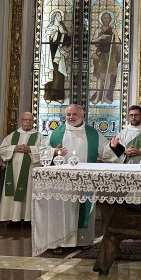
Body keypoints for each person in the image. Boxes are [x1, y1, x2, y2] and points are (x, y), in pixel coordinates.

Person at [36, 104, 119, 254]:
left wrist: (112, 146)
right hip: (62, 180)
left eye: (74, 114)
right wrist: (54, 151)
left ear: (82, 115)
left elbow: (104, 152)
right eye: (68, 114)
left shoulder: (92, 133)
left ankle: (83, 241)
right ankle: (60, 242)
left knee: (83, 209)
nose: (71, 117)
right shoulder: (56, 133)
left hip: (85, 179)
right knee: (62, 211)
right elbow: (42, 151)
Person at [0, 112, 47, 228]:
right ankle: (14, 219)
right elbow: (1, 149)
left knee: (28, 192)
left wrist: (31, 149)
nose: (28, 122)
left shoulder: (39, 136)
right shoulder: (12, 135)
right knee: (14, 191)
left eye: (30, 120)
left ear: (33, 122)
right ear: (21, 121)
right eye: (25, 120)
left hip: (30, 171)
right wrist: (14, 148)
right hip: (13, 171)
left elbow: (45, 151)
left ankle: (28, 219)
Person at [90, 11, 122, 105]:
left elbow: (117, 44)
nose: (106, 19)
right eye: (105, 17)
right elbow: (93, 41)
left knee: (109, 76)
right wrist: (101, 37)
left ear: (111, 19)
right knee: (101, 76)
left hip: (111, 55)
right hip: (101, 55)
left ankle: (105, 97)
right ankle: (97, 97)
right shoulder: (98, 30)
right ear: (101, 19)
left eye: (108, 17)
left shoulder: (113, 30)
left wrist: (116, 34)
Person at [43, 10, 71, 103]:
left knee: (59, 74)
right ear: (54, 17)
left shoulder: (63, 28)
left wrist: (65, 35)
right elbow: (46, 40)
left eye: (60, 15)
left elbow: (67, 42)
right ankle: (48, 96)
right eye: (58, 15)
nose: (60, 17)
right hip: (51, 54)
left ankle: (59, 96)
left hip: (60, 55)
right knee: (51, 73)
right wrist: (51, 36)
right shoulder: (50, 28)